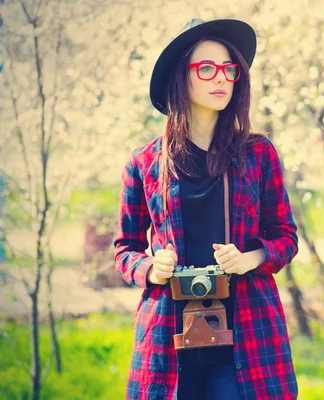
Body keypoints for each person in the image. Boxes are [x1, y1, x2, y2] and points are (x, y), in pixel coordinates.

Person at [113, 18, 299, 400]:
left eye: (229, 69)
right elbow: (124, 249)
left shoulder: (258, 154)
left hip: (247, 333)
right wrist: (151, 268)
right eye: (207, 68)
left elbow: (286, 236)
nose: (222, 79)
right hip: (169, 336)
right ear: (182, 77)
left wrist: (250, 259)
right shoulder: (144, 163)